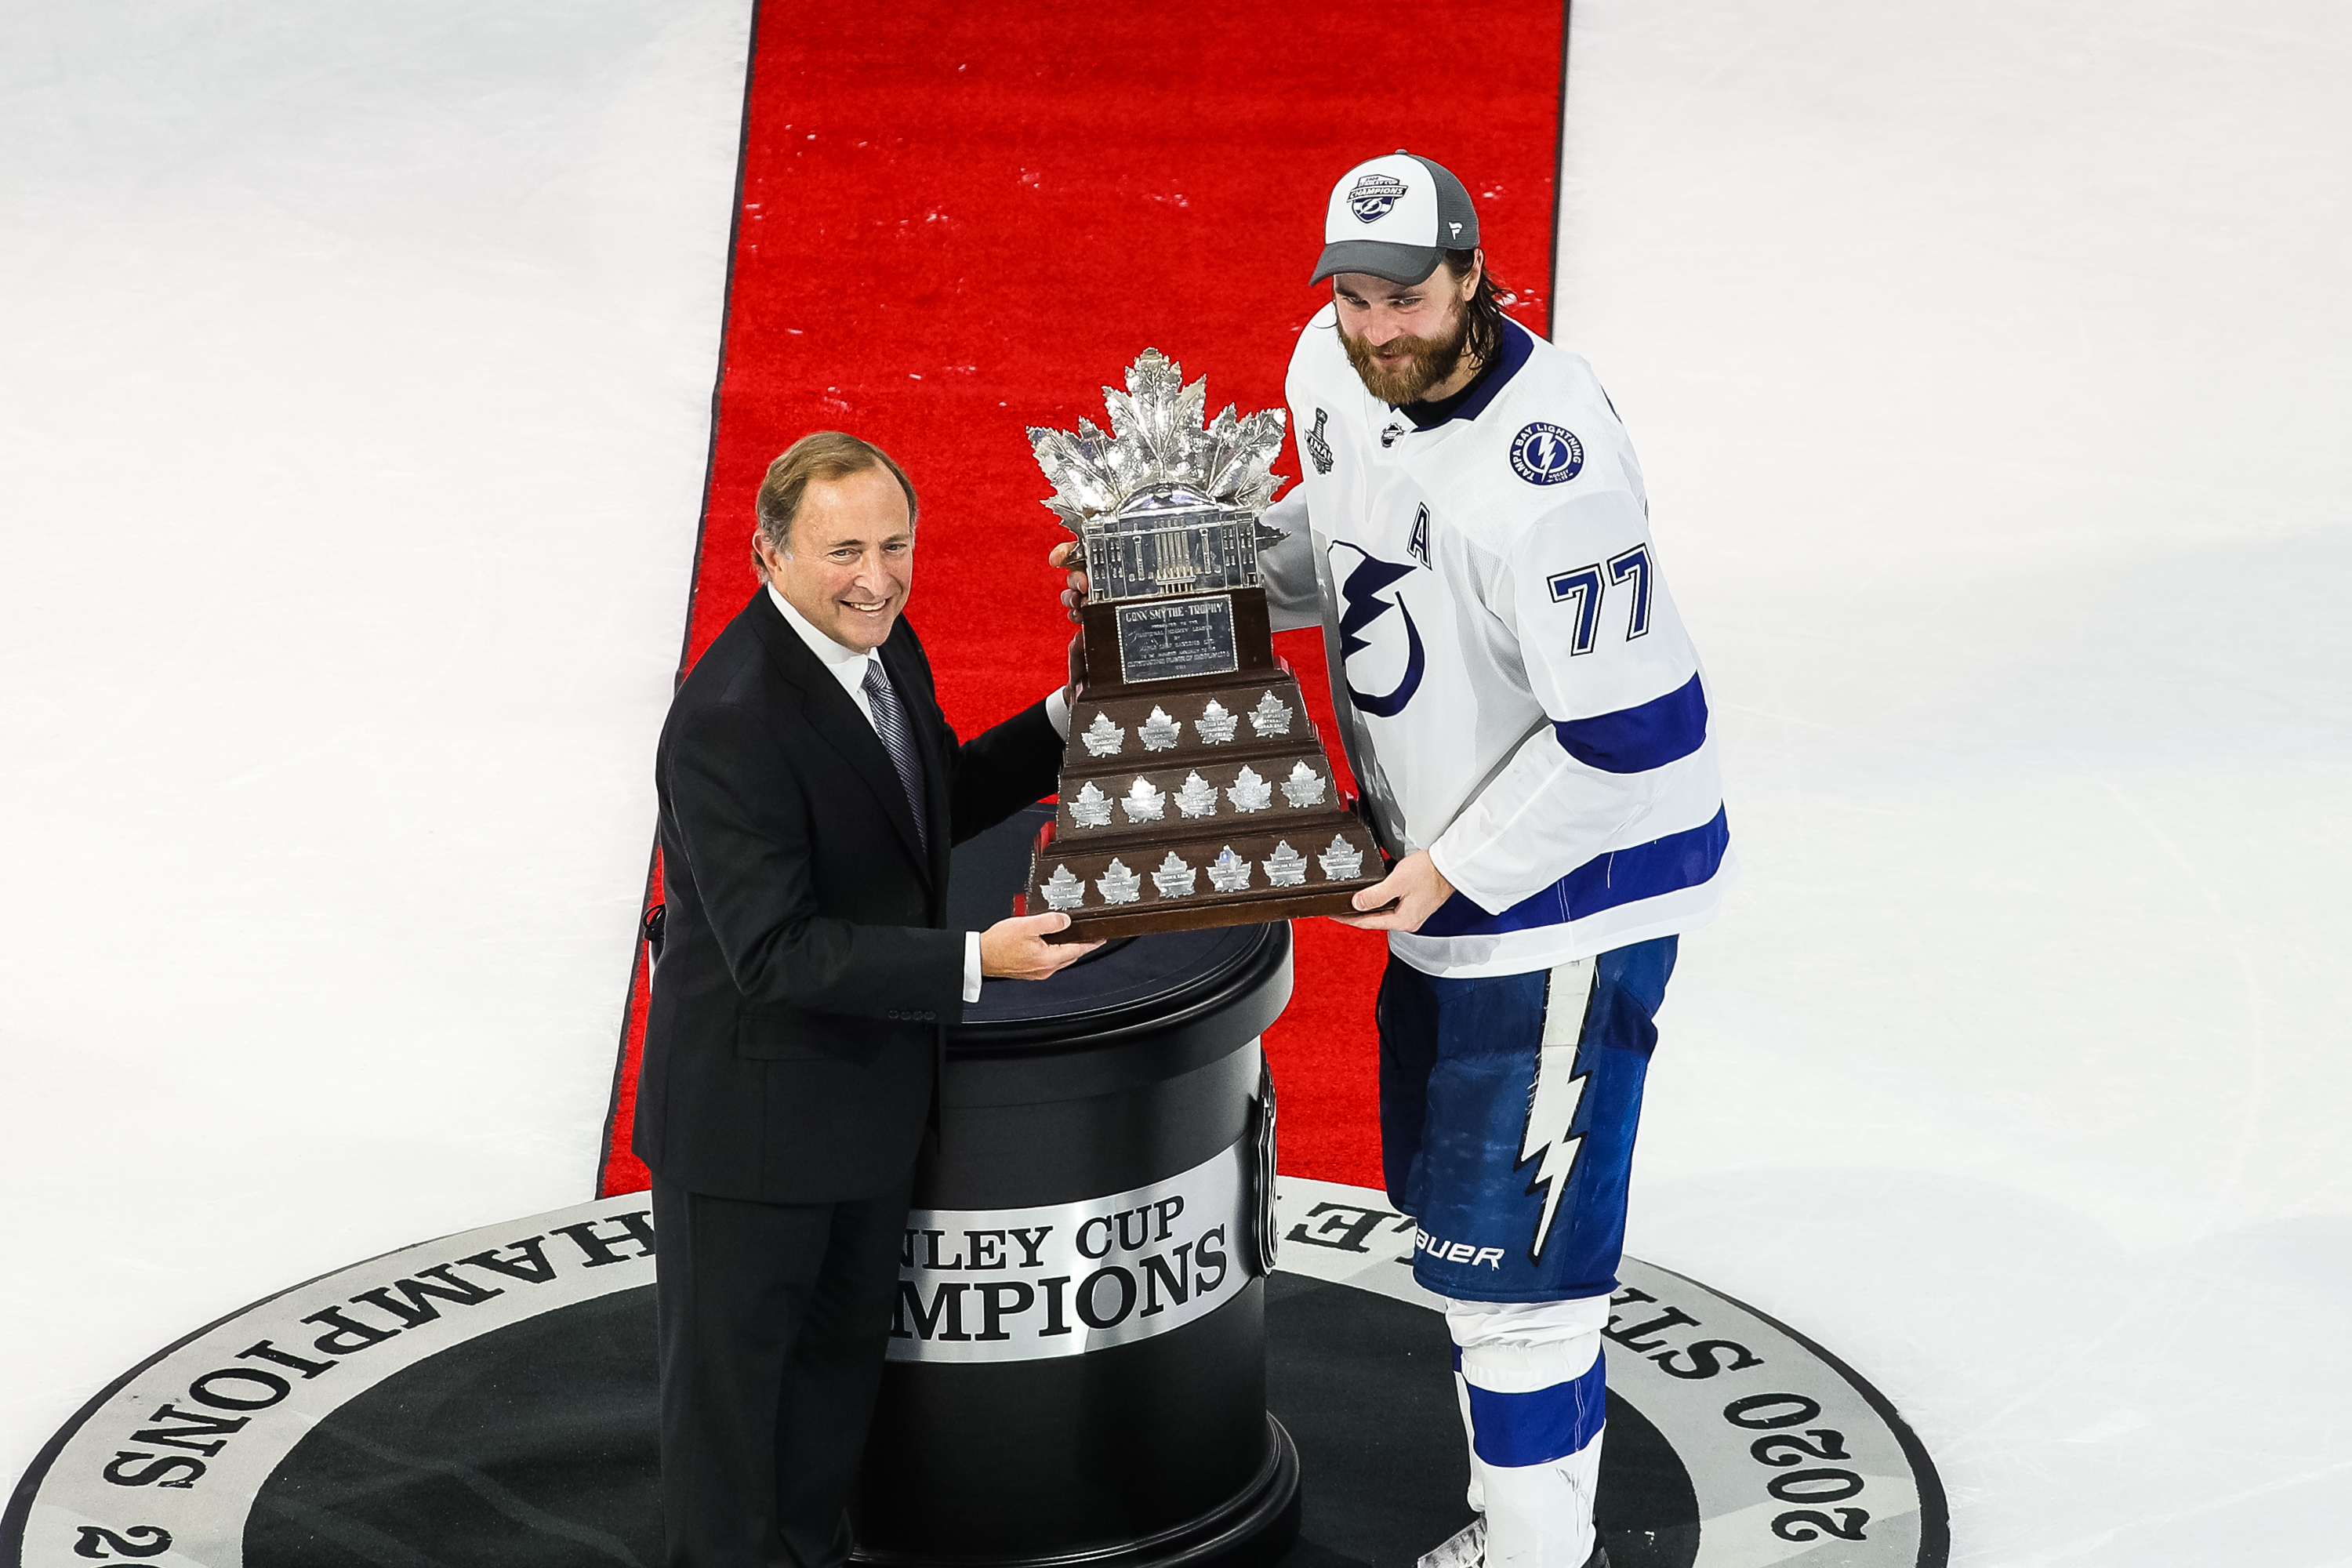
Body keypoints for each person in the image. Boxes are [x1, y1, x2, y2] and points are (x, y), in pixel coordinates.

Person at [1054, 151, 1730, 1568]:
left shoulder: (1551, 490)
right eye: (1355, 298)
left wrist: (1453, 865)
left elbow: (1647, 735)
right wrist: (1200, 573)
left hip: (1560, 906)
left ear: (1475, 275)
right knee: (1460, 1229)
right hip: (1445, 883)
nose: (1378, 329)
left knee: (1523, 1275)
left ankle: (1544, 1554)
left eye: (1408, 298)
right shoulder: (1335, 363)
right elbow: (1355, 545)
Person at [637, 430, 1094, 1568]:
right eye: (843, 550)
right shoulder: (728, 718)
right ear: (768, 555)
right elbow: (776, 954)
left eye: (895, 545)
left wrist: (1067, 715)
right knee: (735, 1439)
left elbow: (933, 793)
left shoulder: (885, 651)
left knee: (829, 1407)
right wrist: (976, 962)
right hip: (748, 1139)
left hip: (862, 1120)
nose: (877, 577)